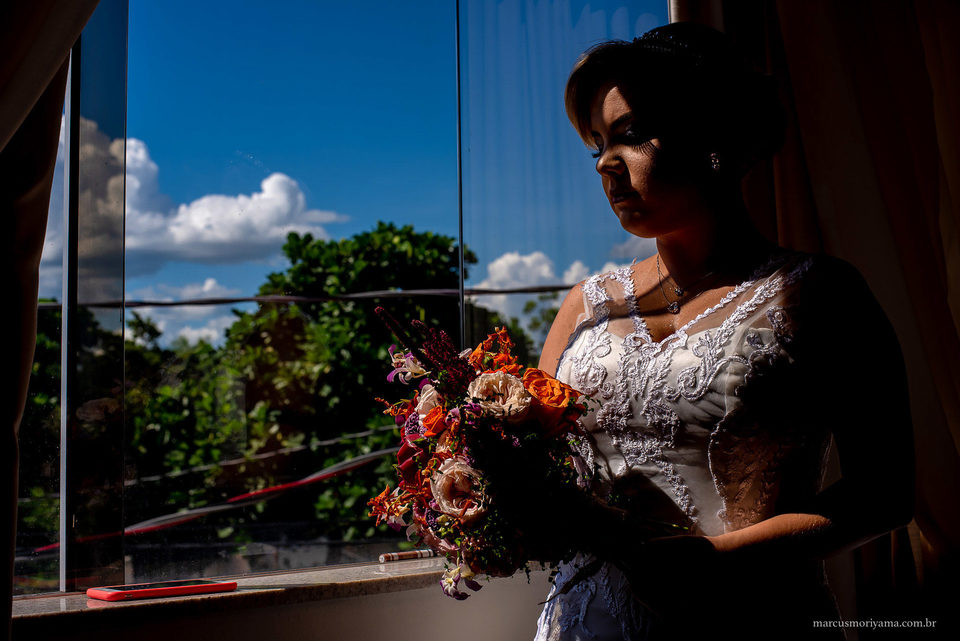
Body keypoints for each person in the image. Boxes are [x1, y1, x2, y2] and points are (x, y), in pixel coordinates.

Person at [532, 22, 914, 640]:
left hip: (750, 616)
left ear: (710, 137)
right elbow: (533, 468)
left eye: (630, 134)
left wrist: (720, 559)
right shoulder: (586, 305)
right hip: (584, 623)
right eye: (596, 144)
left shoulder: (818, 292)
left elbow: (886, 493)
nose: (605, 162)